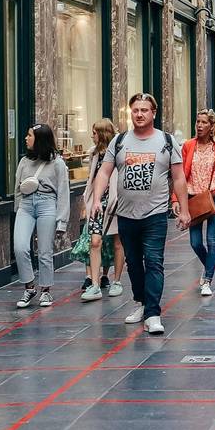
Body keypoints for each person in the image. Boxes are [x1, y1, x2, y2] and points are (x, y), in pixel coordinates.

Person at [87, 93, 188, 335]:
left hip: (155, 214)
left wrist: (184, 209)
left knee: (154, 262)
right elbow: (104, 172)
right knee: (133, 264)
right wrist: (96, 199)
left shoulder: (166, 141)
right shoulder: (120, 141)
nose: (139, 114)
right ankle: (141, 303)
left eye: (144, 110)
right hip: (126, 215)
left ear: (154, 113)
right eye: (135, 110)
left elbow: (178, 177)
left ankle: (153, 313)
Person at [13, 124, 70, 308]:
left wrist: (62, 221)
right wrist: (18, 208)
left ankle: (45, 291)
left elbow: (63, 192)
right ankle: (29, 287)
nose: (26, 138)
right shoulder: (24, 161)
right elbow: (17, 188)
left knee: (45, 251)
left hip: (47, 204)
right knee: (20, 247)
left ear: (39, 139)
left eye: (29, 135)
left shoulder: (58, 163)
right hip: (26, 205)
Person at [182, 109, 215, 297]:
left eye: (204, 122)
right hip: (193, 199)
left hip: (213, 198)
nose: (200, 125)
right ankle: (209, 266)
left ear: (212, 127)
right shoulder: (188, 146)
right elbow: (180, 176)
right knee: (195, 242)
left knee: (212, 240)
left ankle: (207, 280)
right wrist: (176, 199)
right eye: (198, 121)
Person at [81, 118, 126, 302]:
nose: (92, 136)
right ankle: (95, 284)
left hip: (116, 203)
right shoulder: (94, 154)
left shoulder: (119, 152)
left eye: (94, 132)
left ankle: (116, 281)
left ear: (102, 134)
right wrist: (87, 203)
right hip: (97, 204)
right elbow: (91, 180)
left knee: (117, 243)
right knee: (95, 241)